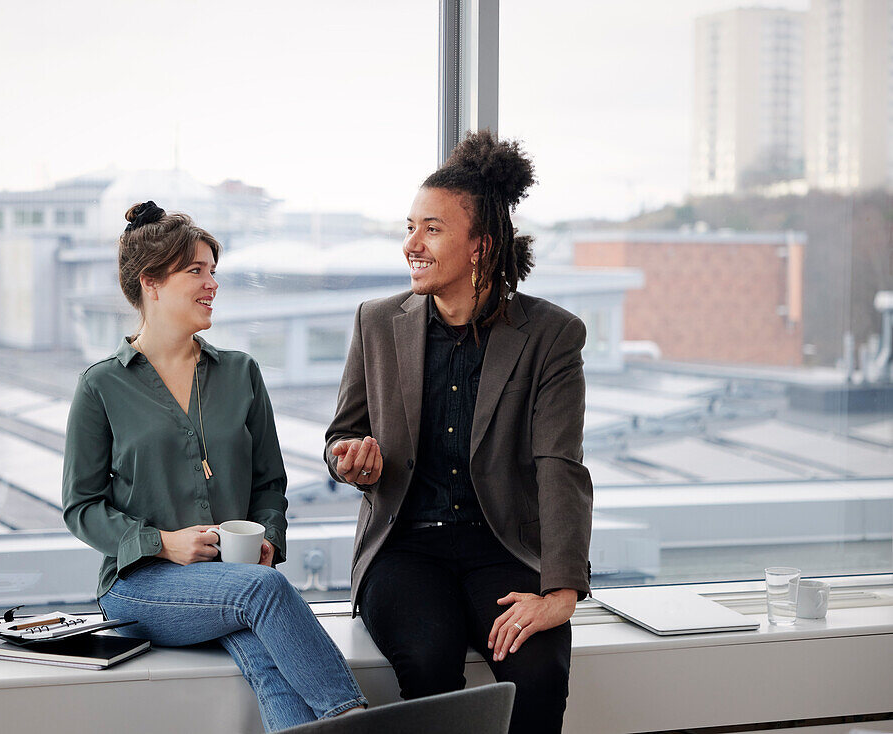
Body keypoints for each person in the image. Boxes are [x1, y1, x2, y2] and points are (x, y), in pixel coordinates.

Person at [324, 131, 592, 733]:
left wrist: (561, 591)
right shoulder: (376, 321)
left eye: (432, 229)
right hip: (404, 547)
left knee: (540, 673)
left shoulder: (551, 335)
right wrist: (350, 459)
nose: (410, 245)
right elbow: (342, 435)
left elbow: (561, 465)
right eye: (409, 227)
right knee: (429, 661)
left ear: (480, 247)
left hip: (500, 548)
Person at [63, 202, 367, 732]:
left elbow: (271, 482)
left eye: (213, 271)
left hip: (232, 581)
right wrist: (164, 542)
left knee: (269, 663)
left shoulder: (241, 374)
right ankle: (356, 720)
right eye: (195, 271)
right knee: (263, 592)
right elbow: (81, 508)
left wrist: (268, 536)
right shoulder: (102, 385)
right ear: (150, 283)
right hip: (140, 587)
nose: (212, 284)